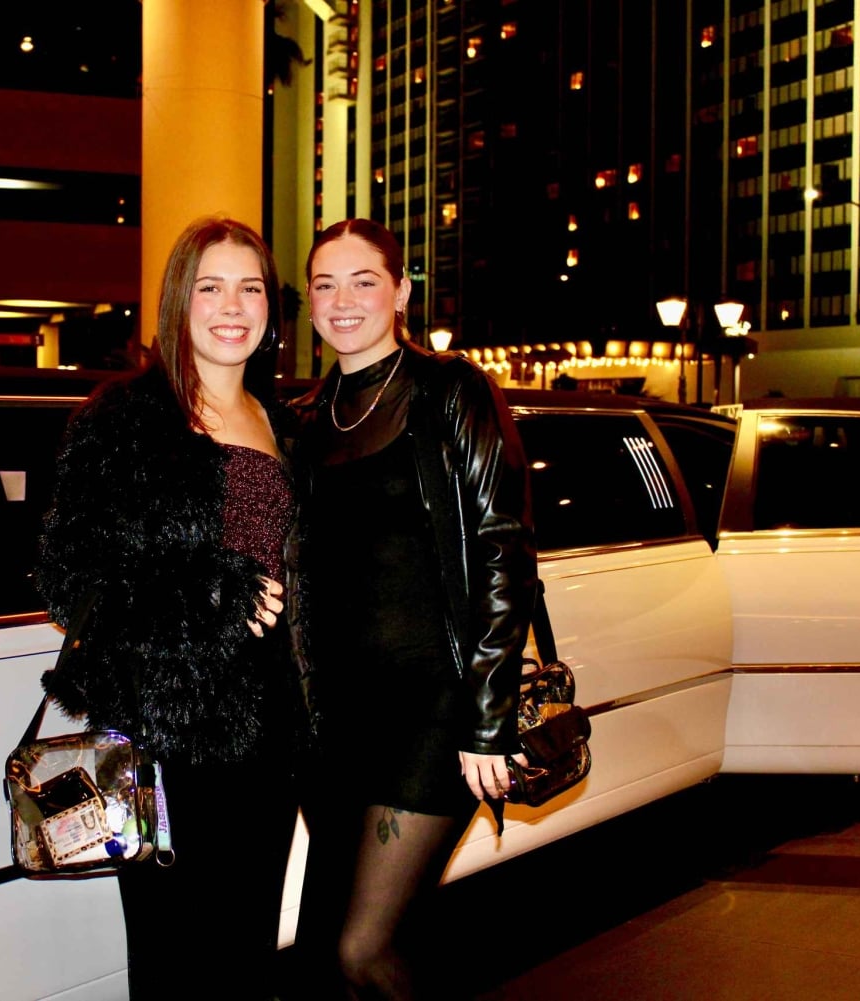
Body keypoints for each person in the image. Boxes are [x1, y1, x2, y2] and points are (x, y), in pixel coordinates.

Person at [37, 216, 308, 999]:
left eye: (250, 288)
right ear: (178, 302)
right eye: (211, 287)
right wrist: (210, 592)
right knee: (174, 956)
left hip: (272, 727)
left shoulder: (283, 420)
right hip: (166, 732)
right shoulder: (126, 417)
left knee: (248, 948)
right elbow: (67, 572)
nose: (233, 306)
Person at [290, 218, 538, 1000]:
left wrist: (489, 718)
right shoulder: (304, 418)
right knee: (324, 956)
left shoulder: (450, 390)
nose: (344, 300)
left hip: (435, 708)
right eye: (325, 284)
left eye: (364, 280)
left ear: (400, 291)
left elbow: (503, 547)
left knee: (364, 949)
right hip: (335, 721)